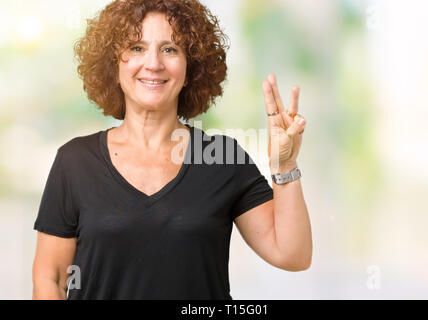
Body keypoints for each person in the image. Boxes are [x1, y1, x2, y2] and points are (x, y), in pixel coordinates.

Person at [32, 0, 312, 300]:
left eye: (170, 49)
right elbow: (52, 279)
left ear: (191, 67)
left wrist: (285, 167)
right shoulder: (74, 162)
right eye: (137, 48)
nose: (153, 63)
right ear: (113, 64)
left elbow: (293, 255)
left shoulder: (223, 157)